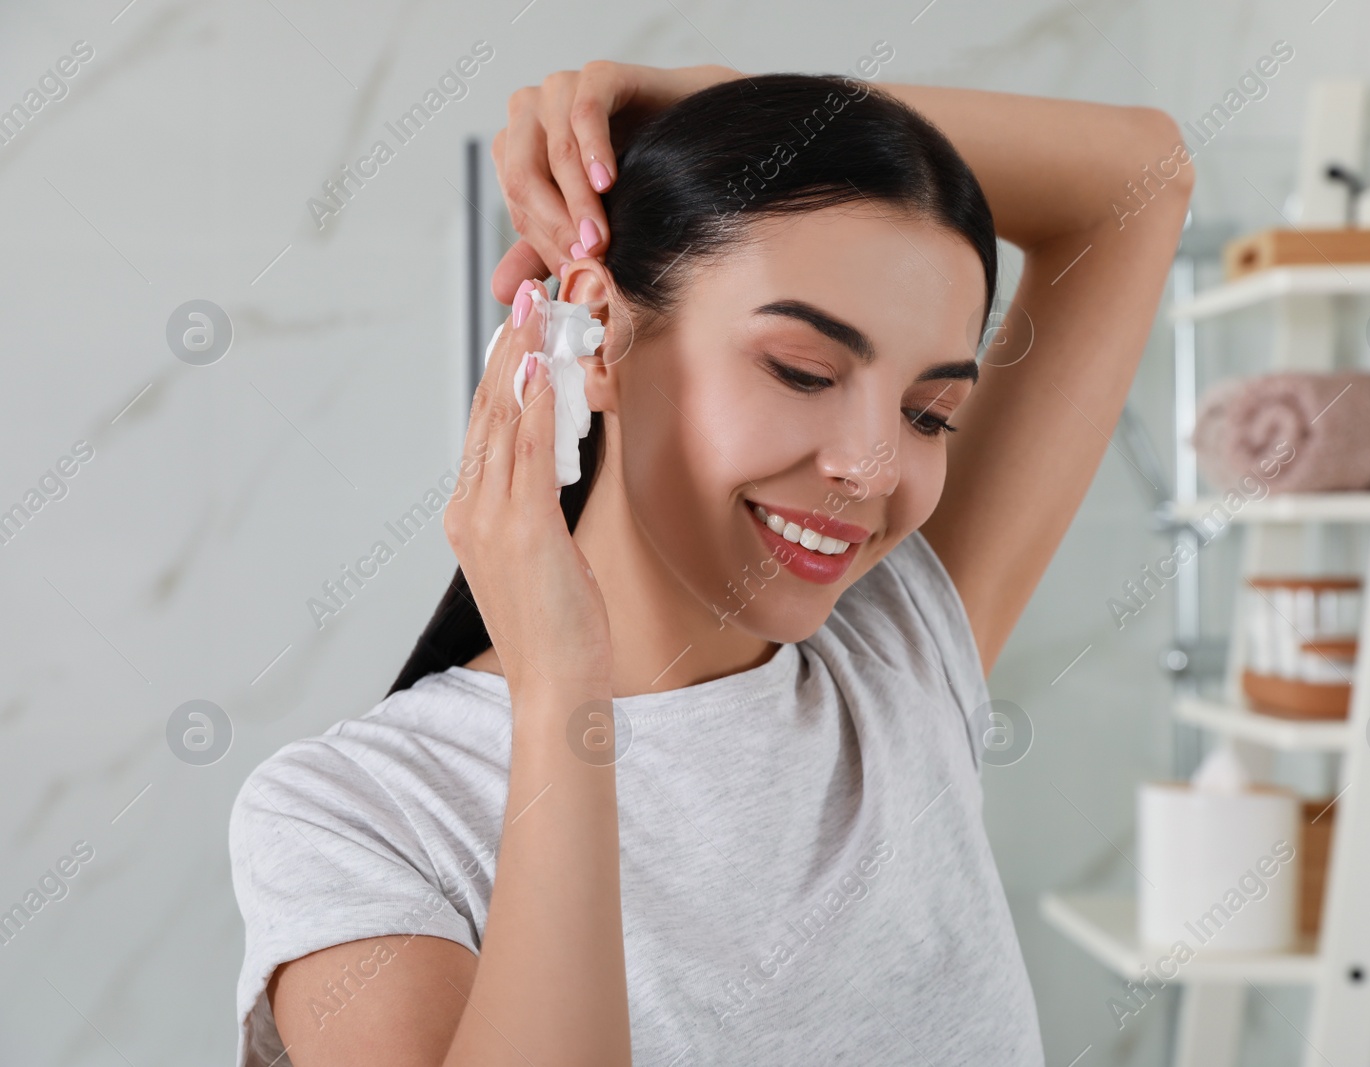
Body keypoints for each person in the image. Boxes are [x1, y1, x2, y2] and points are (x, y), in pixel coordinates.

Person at [229, 62, 1192, 1066]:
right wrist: (563, 687)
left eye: (925, 413)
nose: (867, 469)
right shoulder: (360, 814)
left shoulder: (897, 665)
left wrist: (721, 106)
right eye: (803, 371)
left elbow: (1142, 178)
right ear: (594, 334)